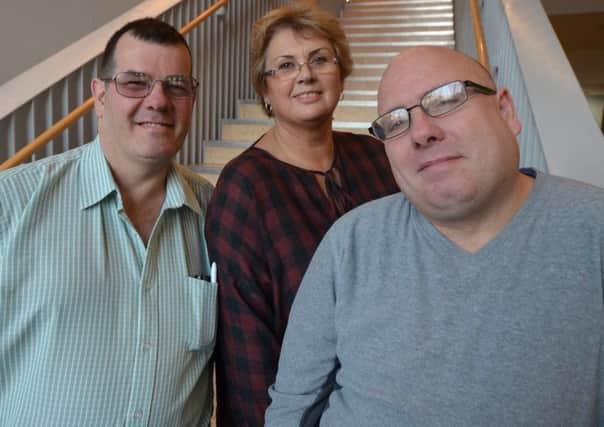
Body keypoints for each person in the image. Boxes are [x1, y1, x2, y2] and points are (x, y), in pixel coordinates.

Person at [265, 46, 604, 426]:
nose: (421, 132)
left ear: (506, 111)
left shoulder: (593, 231)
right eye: (395, 122)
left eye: (447, 99)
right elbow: (292, 408)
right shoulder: (349, 243)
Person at [0, 18, 216, 426]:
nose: (158, 100)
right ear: (99, 96)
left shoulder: (215, 214)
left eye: (176, 85)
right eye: (135, 83)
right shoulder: (11, 203)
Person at [204, 5, 398, 426]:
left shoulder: (379, 159)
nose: (306, 75)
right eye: (286, 65)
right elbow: (244, 354)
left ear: (341, 75)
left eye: (320, 59)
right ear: (266, 91)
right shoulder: (244, 187)